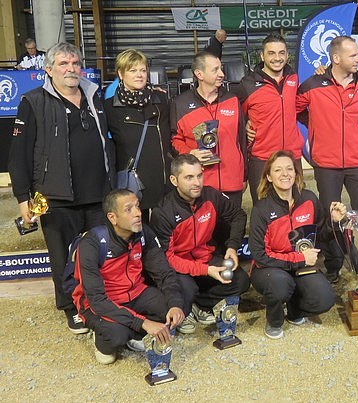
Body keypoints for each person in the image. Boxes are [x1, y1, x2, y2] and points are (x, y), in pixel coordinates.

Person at [8, 42, 115, 334]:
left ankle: (97, 302)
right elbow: (18, 156)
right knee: (63, 257)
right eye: (63, 64)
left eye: (75, 63)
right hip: (55, 196)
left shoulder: (94, 96)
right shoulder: (33, 102)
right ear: (49, 69)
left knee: (99, 254)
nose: (71, 69)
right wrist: (22, 198)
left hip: (97, 196)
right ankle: (71, 307)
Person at [296, 35, 358, 282]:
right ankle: (333, 265)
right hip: (326, 164)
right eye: (353, 55)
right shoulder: (312, 84)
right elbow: (297, 110)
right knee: (330, 217)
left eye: (357, 54)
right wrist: (317, 126)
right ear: (336, 58)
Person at [72, 189, 184, 364]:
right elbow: (96, 300)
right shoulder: (92, 244)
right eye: (128, 209)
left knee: (174, 308)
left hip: (136, 293)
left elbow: (164, 273)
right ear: (112, 218)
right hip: (102, 302)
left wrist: (176, 305)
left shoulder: (143, 234)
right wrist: (143, 323)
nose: (138, 213)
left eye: (138, 207)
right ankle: (104, 336)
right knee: (116, 336)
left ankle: (132, 329)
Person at [248, 150, 346, 339]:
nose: (285, 174)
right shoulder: (261, 209)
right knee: (280, 283)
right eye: (278, 170)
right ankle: (274, 320)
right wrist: (299, 259)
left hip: (301, 266)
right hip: (269, 268)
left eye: (289, 169)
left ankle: (294, 311)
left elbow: (321, 237)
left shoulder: (308, 199)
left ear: (296, 173)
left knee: (324, 299)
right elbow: (260, 255)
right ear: (269, 176)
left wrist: (334, 221)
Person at [150, 154, 250, 334]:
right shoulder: (162, 212)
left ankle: (198, 304)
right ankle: (188, 304)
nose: (196, 182)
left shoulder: (211, 195)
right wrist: (206, 271)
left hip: (206, 258)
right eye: (189, 177)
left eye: (199, 175)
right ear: (174, 180)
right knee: (186, 289)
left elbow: (238, 215)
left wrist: (232, 247)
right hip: (180, 268)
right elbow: (167, 259)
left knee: (241, 281)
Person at [171, 51, 247, 207]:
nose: (222, 74)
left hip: (232, 182)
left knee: (233, 230)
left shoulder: (232, 100)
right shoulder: (180, 104)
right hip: (200, 186)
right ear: (199, 74)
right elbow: (174, 140)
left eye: (221, 69)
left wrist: (243, 176)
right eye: (215, 70)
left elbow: (242, 140)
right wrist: (189, 153)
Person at [104, 49, 172, 223]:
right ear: (121, 73)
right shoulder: (109, 107)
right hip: (133, 186)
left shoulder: (161, 101)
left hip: (162, 184)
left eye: (142, 70)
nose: (139, 75)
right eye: (132, 70)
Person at [237, 32, 304, 203]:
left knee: (295, 207)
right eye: (271, 53)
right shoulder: (248, 84)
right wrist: (244, 124)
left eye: (281, 53)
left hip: (291, 156)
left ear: (287, 55)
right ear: (262, 55)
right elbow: (233, 113)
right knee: (263, 208)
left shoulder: (293, 78)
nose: (277, 58)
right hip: (262, 157)